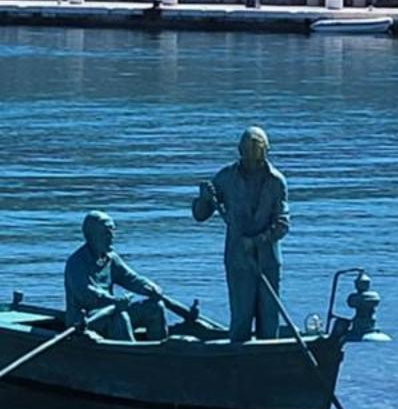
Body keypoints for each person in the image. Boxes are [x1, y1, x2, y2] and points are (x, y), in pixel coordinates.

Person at [192, 125, 289, 341]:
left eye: (257, 151)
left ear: (266, 151)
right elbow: (200, 215)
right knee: (241, 318)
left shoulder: (276, 181)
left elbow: (282, 224)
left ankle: (271, 362)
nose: (253, 157)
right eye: (248, 151)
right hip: (239, 261)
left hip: (267, 260)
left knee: (269, 320)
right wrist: (204, 198)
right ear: (240, 150)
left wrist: (256, 241)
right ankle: (238, 365)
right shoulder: (226, 177)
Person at [64, 211, 168, 343]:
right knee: (120, 316)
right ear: (91, 236)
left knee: (155, 307)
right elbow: (86, 293)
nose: (112, 236)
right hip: (86, 320)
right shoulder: (76, 263)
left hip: (112, 309)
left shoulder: (111, 258)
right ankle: (135, 358)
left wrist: (150, 287)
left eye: (112, 231)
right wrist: (113, 300)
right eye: (106, 232)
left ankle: (160, 349)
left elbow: (131, 278)